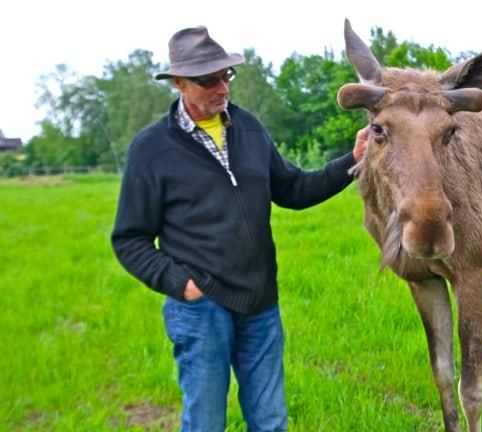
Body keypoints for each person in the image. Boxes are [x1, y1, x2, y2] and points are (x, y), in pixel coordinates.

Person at [111, 25, 368, 432]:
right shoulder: (152, 149)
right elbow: (129, 239)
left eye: (225, 76)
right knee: (206, 423)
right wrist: (181, 283)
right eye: (207, 80)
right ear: (179, 83)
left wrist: (351, 161)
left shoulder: (248, 128)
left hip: (261, 304)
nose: (221, 88)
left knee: (270, 422)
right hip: (200, 308)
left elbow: (294, 188)